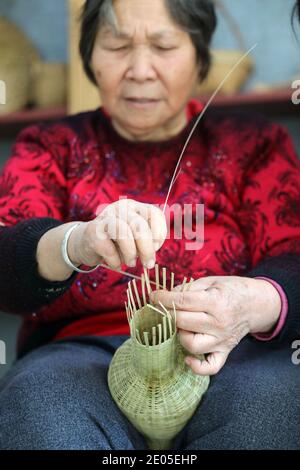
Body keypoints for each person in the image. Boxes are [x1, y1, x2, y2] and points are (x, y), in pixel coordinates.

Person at [0, 0, 300, 450]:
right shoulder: (51, 146)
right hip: (81, 357)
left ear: (200, 58)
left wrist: (252, 302)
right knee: (41, 413)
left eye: (163, 46)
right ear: (90, 57)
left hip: (231, 352)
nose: (140, 70)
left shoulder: (252, 143)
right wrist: (77, 242)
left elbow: (294, 255)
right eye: (117, 46)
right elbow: (6, 266)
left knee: (272, 407)